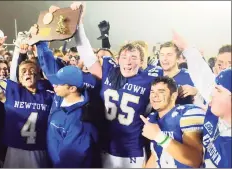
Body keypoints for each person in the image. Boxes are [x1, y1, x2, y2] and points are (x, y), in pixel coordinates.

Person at [71, 2, 164, 167]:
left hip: (132, 150)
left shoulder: (150, 80)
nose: (128, 62)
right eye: (124, 57)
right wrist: (79, 23)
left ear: (142, 62)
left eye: (134, 58)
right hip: (107, 146)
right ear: (118, 59)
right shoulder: (109, 72)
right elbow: (86, 53)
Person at [0, 31, 53, 168]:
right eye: (23, 71)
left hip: (40, 150)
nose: (27, 72)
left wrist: (41, 47)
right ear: (19, 78)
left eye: (31, 70)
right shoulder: (12, 93)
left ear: (39, 76)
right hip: (14, 150)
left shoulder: (49, 95)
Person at [172, 31, 231, 168]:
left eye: (230, 63)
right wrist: (187, 48)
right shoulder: (218, 102)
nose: (212, 94)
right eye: (220, 63)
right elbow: (204, 78)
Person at [142, 76, 205, 168]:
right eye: (152, 92)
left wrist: (159, 136)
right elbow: (156, 155)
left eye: (161, 92)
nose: (155, 96)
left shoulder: (187, 114)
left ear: (173, 96)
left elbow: (195, 160)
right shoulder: (152, 118)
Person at [46, 66, 99, 167]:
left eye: (59, 83)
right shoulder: (62, 98)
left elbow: (71, 160)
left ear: (72, 88)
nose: (54, 85)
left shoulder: (80, 122)